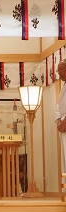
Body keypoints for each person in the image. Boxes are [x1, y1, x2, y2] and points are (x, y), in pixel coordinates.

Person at [56, 59, 66, 193]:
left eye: (61, 69)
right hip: (62, 125)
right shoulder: (63, 87)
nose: (59, 73)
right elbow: (58, 106)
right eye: (58, 70)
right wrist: (58, 120)